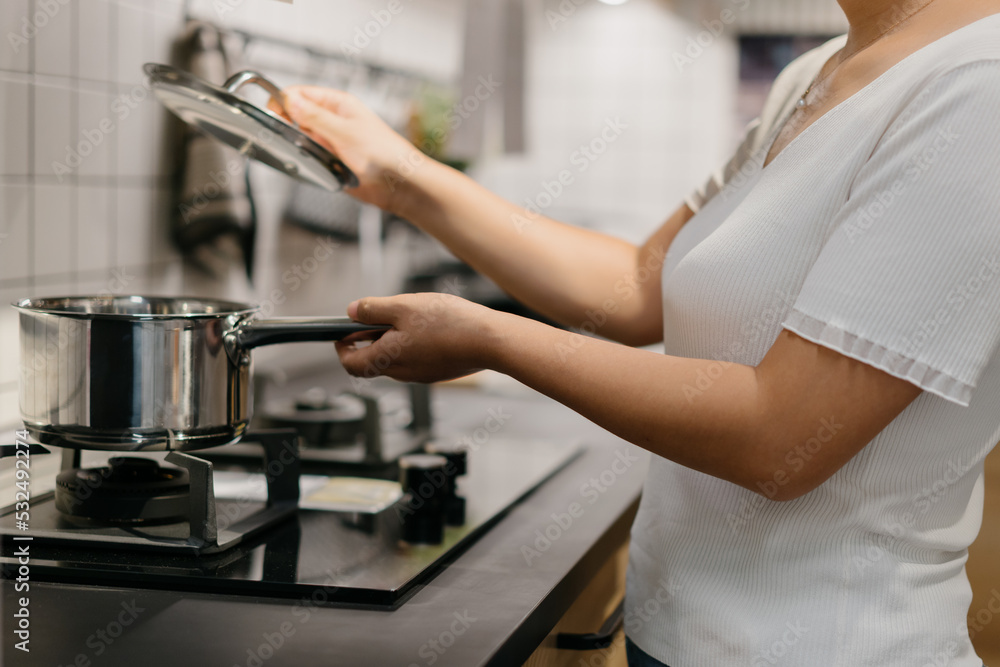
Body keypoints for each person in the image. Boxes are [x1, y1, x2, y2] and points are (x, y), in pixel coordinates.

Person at [272, 0, 1000, 664]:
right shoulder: (819, 71)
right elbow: (639, 284)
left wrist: (493, 338)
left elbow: (781, 432)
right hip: (675, 635)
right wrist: (402, 176)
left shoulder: (979, 87)